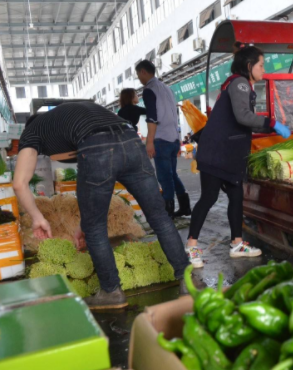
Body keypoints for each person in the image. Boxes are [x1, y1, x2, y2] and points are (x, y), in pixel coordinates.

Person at [13, 102, 203, 310]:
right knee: (159, 217)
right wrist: (83, 223)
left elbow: (20, 183)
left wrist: (38, 218)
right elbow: (107, 171)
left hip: (97, 145)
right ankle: (189, 280)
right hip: (130, 140)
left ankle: (111, 291)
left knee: (95, 230)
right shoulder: (68, 114)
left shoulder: (32, 131)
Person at [188, 43, 291, 259]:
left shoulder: (240, 84)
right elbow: (243, 116)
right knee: (209, 197)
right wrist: (272, 123)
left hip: (227, 153)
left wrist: (267, 127)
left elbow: (247, 123)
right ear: (249, 65)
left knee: (236, 197)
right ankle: (191, 245)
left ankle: (237, 243)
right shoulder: (240, 84)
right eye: (261, 65)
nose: (264, 69)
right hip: (217, 153)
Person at [135, 60, 191, 219]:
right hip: (173, 139)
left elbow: (152, 117)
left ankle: (168, 213)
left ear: (143, 72)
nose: (139, 78)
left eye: (138, 75)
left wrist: (150, 141)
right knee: (172, 175)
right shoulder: (167, 89)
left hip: (162, 139)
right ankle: (185, 207)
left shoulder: (149, 90)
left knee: (164, 177)